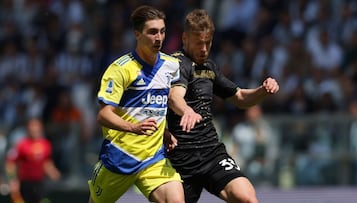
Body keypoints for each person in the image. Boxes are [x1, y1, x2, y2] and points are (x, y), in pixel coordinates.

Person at [166, 9, 279, 203]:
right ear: (184, 38)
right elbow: (174, 97)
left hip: (211, 153)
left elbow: (240, 97)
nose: (203, 49)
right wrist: (187, 111)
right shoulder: (176, 63)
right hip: (180, 159)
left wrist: (262, 90)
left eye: (207, 43)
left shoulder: (209, 68)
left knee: (247, 197)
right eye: (198, 43)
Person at [87, 5, 184, 203]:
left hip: (153, 159)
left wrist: (163, 132)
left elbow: (155, 107)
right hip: (119, 158)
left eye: (162, 31)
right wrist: (134, 127)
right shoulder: (120, 69)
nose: (159, 37)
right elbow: (103, 115)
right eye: (152, 32)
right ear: (137, 34)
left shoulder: (171, 66)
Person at [5, 118, 61, 203]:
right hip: (25, 184)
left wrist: (53, 173)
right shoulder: (22, 145)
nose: (34, 129)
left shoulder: (45, 145)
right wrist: (13, 179)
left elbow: (46, 163)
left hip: (40, 184)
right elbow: (10, 163)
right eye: (32, 126)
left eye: (36, 126)